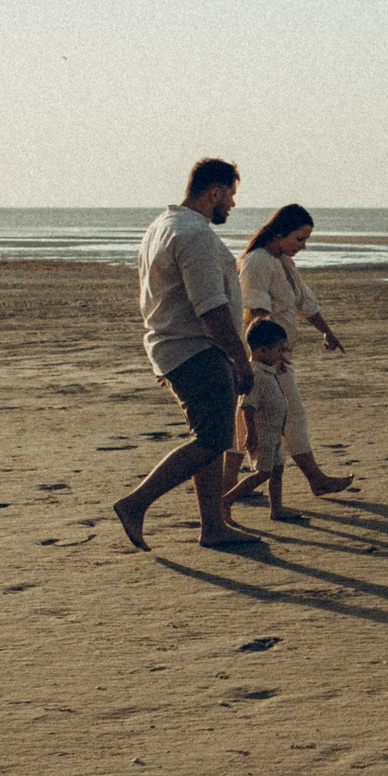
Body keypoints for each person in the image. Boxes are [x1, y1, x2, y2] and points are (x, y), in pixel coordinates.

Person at [112, 157, 261, 551]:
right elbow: (210, 306)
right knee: (212, 439)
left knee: (211, 435)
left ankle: (212, 525)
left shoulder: (161, 226)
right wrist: (240, 357)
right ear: (214, 192)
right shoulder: (195, 235)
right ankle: (135, 503)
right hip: (197, 349)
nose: (231, 204)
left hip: (170, 345)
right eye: (230, 195)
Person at [238, 202, 354, 495]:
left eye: (306, 240)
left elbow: (304, 302)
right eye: (299, 239)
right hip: (266, 358)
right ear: (279, 233)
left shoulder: (284, 262)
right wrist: (261, 357)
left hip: (277, 356)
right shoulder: (258, 261)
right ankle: (317, 479)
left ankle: (229, 487)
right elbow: (254, 312)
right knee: (290, 417)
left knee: (251, 425)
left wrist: (327, 331)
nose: (302, 246)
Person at [225, 319, 306, 522]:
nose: (283, 355)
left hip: (273, 433)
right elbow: (247, 406)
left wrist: (278, 366)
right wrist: (251, 433)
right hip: (262, 435)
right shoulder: (255, 375)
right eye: (279, 350)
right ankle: (226, 500)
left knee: (277, 470)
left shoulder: (267, 370)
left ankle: (276, 508)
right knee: (262, 473)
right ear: (262, 351)